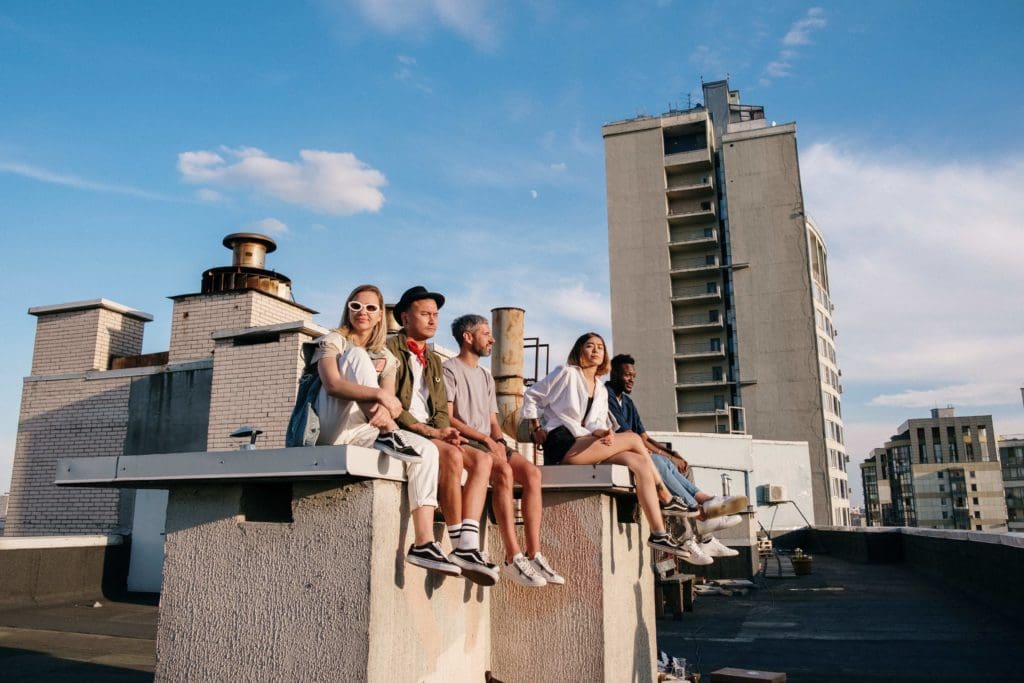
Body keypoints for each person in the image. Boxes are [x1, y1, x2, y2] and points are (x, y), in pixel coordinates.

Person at [312, 284, 460, 577]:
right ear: (347, 309)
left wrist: (385, 406)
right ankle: (390, 435)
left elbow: (391, 402)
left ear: (381, 314)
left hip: (366, 429)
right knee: (356, 357)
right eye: (356, 306)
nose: (362, 313)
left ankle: (423, 542)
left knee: (428, 452)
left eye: (370, 308)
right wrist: (380, 397)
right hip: (330, 424)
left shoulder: (387, 357)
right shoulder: (332, 341)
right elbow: (333, 385)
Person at [521, 332, 696, 558]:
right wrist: (536, 428)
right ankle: (665, 495)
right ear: (579, 350)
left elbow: (594, 421)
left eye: (600, 348)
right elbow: (532, 395)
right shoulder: (566, 374)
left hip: (586, 444)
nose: (595, 351)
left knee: (639, 461)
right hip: (563, 445)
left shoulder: (601, 389)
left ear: (604, 355)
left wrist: (603, 431)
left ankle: (658, 533)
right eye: (589, 346)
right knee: (633, 438)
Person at [386, 286, 499, 586]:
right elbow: (391, 404)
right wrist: (431, 431)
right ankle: (455, 541)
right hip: (406, 429)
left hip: (432, 430)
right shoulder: (389, 349)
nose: (433, 320)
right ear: (405, 318)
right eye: (425, 314)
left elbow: (439, 408)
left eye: (436, 315)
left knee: (482, 461)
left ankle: (466, 546)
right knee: (449, 455)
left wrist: (443, 430)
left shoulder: (433, 360)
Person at [444, 314, 565, 587]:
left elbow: (494, 422)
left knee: (532, 473)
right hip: (465, 441)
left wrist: (498, 441)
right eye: (486, 333)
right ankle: (512, 556)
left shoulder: (486, 376)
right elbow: (448, 417)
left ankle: (534, 553)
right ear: (468, 337)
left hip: (488, 440)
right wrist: (487, 442)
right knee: (504, 472)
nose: (492, 339)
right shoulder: (448, 369)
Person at [607, 354, 747, 561]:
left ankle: (705, 532)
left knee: (684, 467)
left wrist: (673, 454)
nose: (632, 380)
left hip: (635, 450)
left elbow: (644, 437)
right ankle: (699, 513)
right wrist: (666, 456)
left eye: (634, 376)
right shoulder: (606, 396)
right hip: (616, 453)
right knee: (657, 462)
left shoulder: (627, 402)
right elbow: (632, 438)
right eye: (627, 375)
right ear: (614, 373)